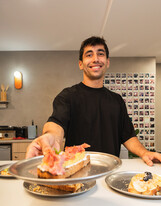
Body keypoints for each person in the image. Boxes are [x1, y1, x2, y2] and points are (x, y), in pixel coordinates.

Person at [26, 36, 161, 166]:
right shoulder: (67, 96)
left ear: (107, 62)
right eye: (89, 55)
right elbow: (56, 124)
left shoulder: (117, 100)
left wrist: (144, 152)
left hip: (110, 171)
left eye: (100, 54)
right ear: (80, 64)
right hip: (77, 172)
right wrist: (50, 137)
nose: (95, 59)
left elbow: (128, 136)